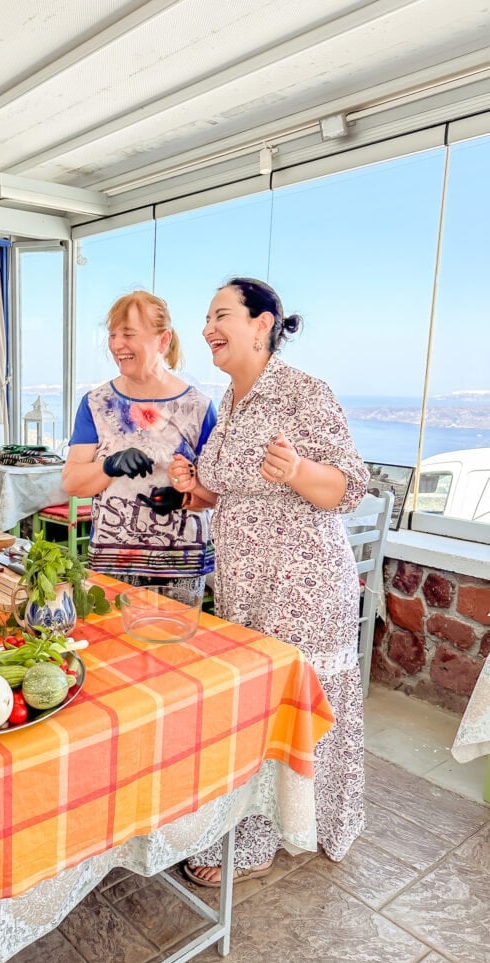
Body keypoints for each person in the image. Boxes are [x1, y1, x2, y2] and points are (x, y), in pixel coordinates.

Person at [168, 277, 369, 886]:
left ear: (263, 324)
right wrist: (194, 488)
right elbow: (229, 491)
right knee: (253, 706)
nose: (207, 328)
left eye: (221, 315)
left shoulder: (305, 392)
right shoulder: (229, 401)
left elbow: (347, 487)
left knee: (291, 705)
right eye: (206, 317)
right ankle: (249, 823)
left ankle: (283, 832)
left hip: (299, 581)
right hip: (240, 583)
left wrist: (302, 469)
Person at [62, 290, 217, 600]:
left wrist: (184, 499)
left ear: (163, 341)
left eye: (129, 334)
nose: (117, 345)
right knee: (110, 646)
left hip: (180, 564)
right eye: (113, 335)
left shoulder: (199, 407)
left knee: (175, 648)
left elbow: (215, 493)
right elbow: (73, 483)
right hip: (112, 561)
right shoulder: (96, 404)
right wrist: (108, 465)